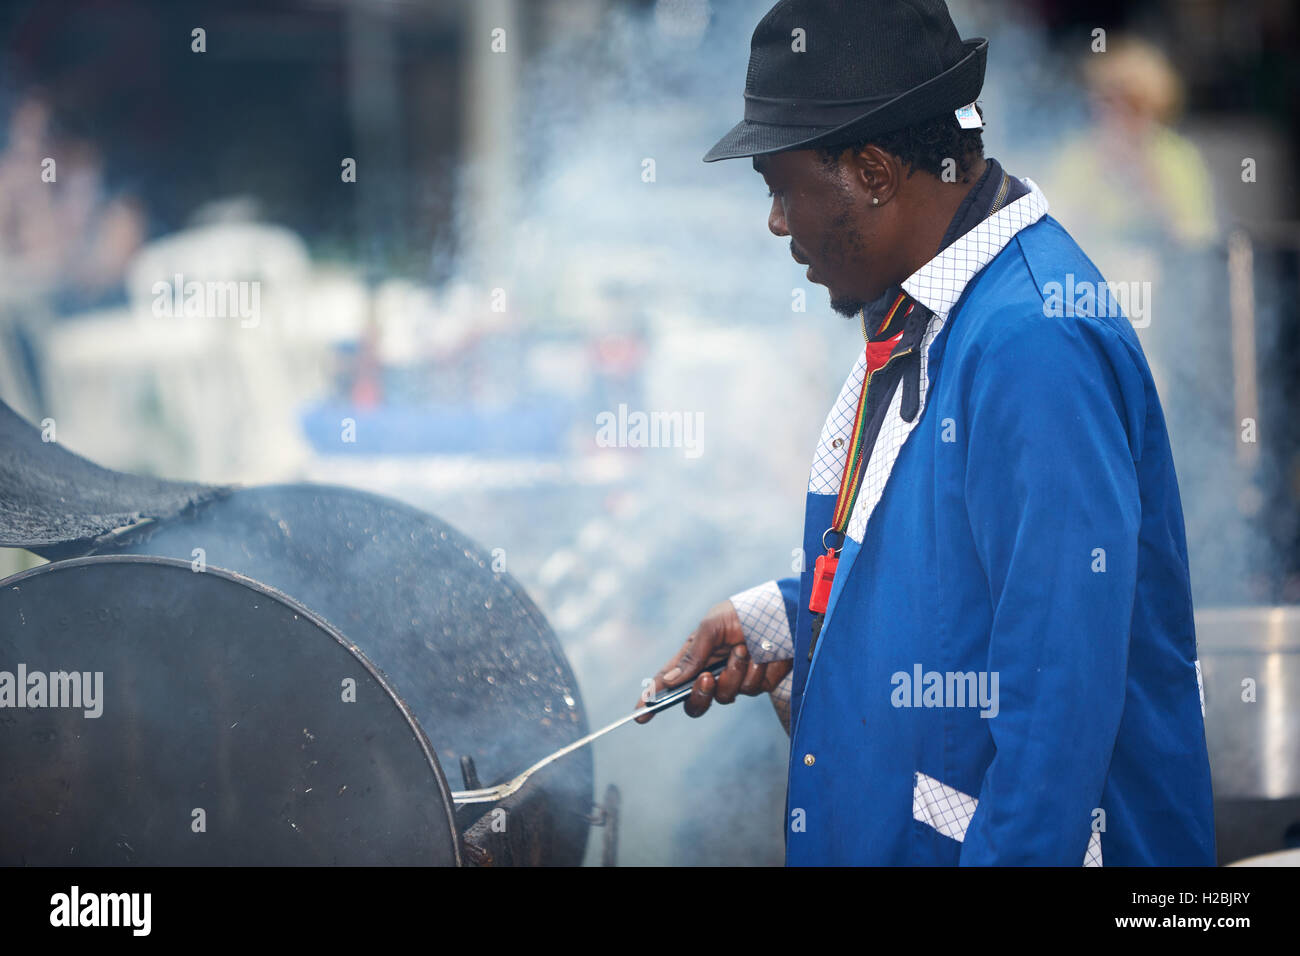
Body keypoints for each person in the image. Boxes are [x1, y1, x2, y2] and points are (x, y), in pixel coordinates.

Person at [635, 0, 1215, 866]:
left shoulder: (1033, 344)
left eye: (783, 186)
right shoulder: (934, 309)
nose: (777, 223)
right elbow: (953, 580)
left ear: (872, 170)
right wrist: (787, 620)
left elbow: (1057, 710)